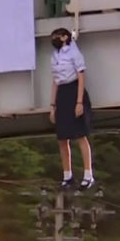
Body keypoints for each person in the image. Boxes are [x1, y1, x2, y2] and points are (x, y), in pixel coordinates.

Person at [48, 28, 94, 190]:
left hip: (74, 90)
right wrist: (52, 106)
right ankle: (67, 175)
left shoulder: (74, 53)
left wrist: (79, 101)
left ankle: (88, 174)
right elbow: (55, 81)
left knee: (80, 135)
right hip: (62, 93)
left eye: (57, 36)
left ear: (65, 37)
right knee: (62, 137)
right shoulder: (55, 56)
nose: (54, 39)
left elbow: (81, 76)